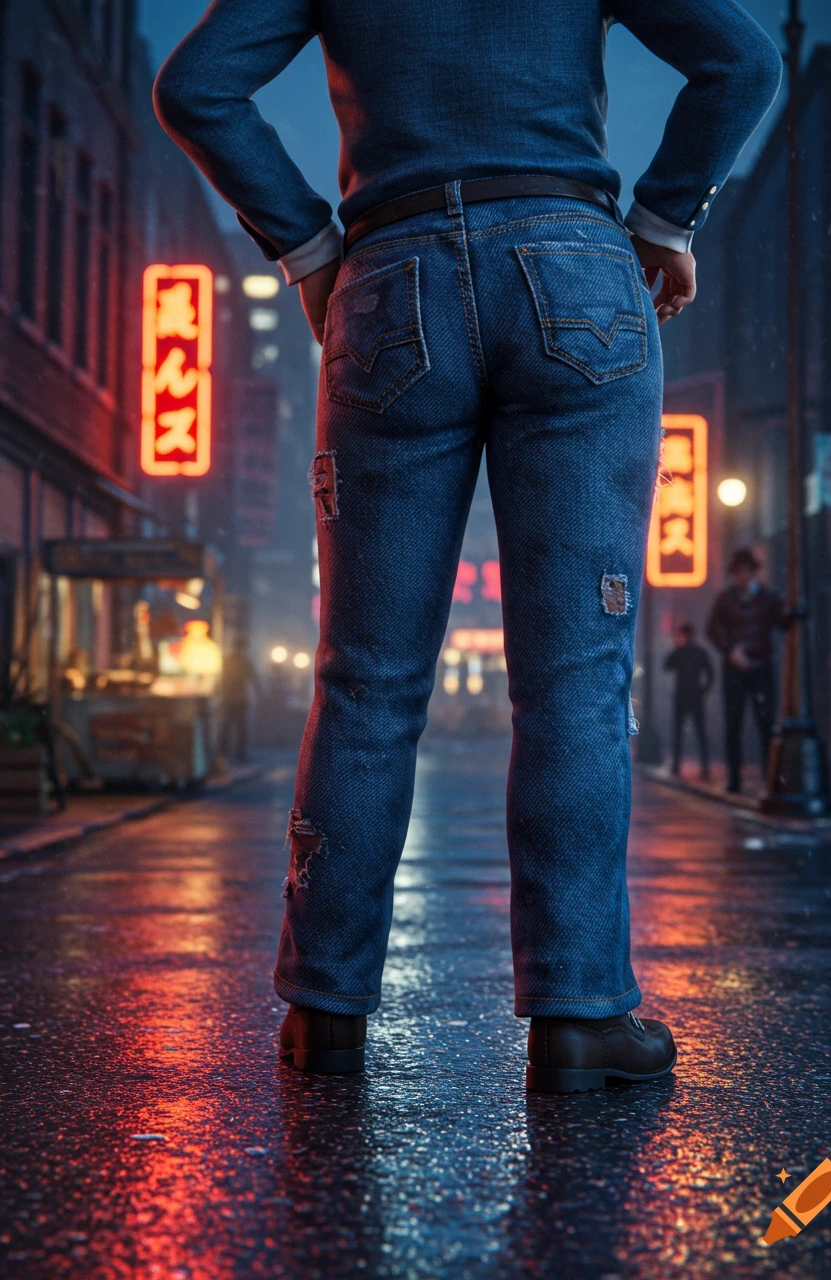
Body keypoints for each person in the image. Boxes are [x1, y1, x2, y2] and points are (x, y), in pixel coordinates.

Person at [154, 0, 781, 1092]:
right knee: (575, 680)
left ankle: (323, 1010)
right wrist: (665, 218)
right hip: (573, 265)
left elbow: (197, 86)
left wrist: (307, 247)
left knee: (364, 679)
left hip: (390, 284)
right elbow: (739, 59)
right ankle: (580, 1013)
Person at [707, 549, 786, 794]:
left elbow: (783, 623)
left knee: (766, 724)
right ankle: (734, 778)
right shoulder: (725, 599)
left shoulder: (769, 598)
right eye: (739, 572)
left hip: (761, 667)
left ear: (753, 572)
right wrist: (730, 651)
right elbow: (712, 629)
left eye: (747, 571)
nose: (743, 576)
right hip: (734, 670)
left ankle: (769, 776)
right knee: (734, 724)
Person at [663, 622, 714, 780]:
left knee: (682, 732)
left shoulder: (682, 651)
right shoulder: (697, 652)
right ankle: (701, 766)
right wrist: (704, 690)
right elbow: (711, 673)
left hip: (684, 696)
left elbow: (666, 666)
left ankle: (680, 766)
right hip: (693, 696)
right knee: (697, 733)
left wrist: (704, 690)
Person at [219, 638, 260, 763]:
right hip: (240, 698)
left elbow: (221, 679)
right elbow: (254, 679)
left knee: (228, 725)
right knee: (241, 726)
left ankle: (225, 751)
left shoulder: (228, 661)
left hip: (229, 698)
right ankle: (239, 753)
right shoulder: (245, 662)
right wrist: (260, 693)